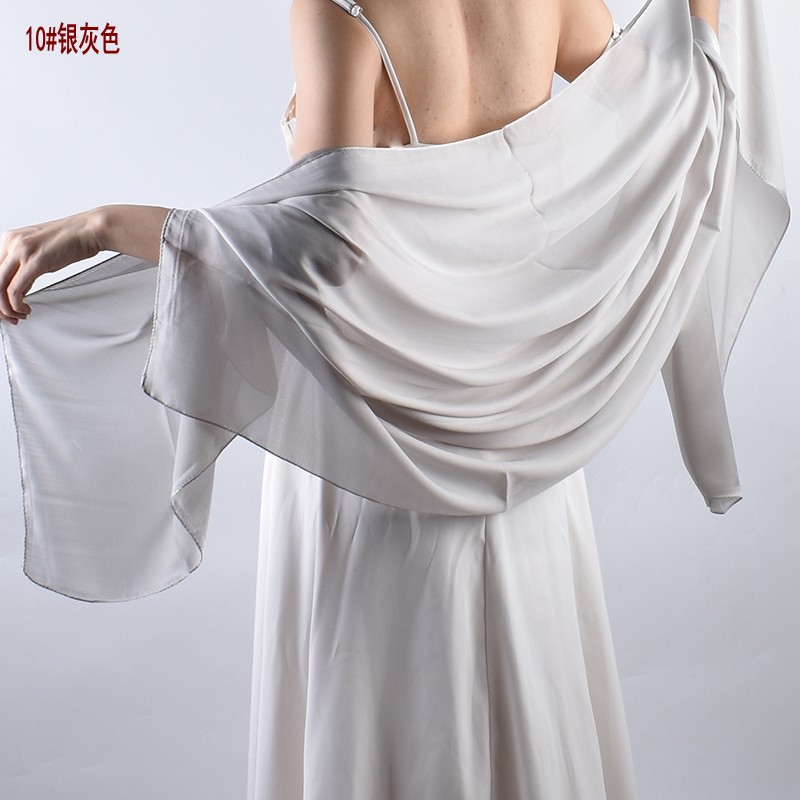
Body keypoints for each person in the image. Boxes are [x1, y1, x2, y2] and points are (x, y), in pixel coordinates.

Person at [0, 1, 789, 798]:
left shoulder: (338, 10)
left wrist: (105, 225)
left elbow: (320, 254)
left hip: (372, 446)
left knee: (379, 723)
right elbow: (660, 101)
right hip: (523, 432)